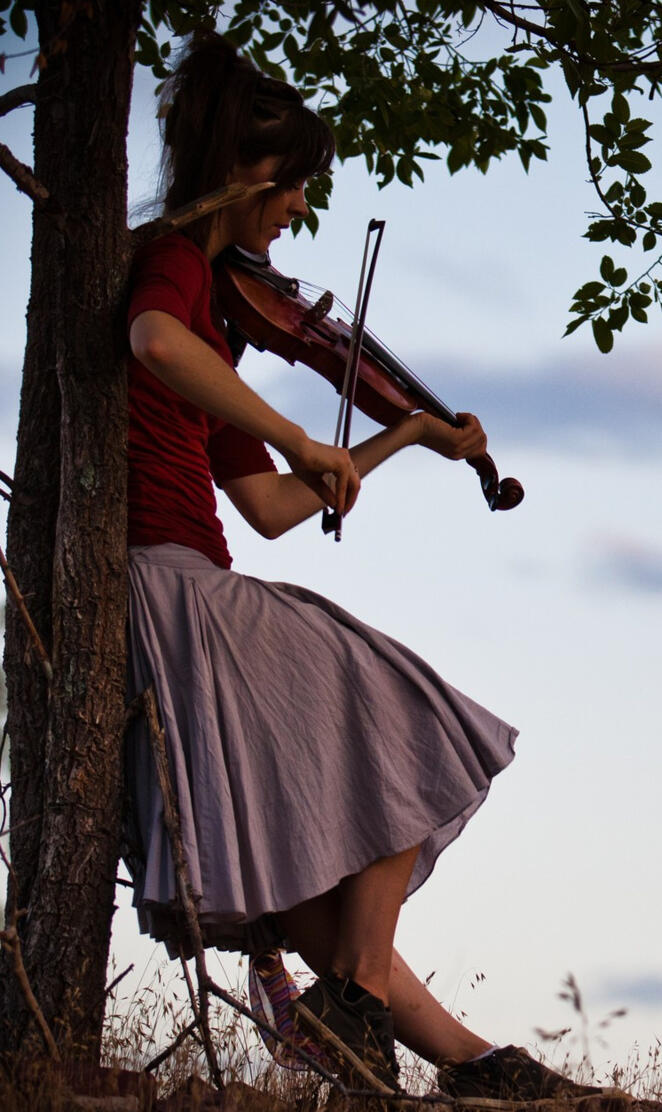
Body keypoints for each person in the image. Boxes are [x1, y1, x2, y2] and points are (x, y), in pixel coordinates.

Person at [123, 31, 617, 1103]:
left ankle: (479, 1069)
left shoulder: (218, 325)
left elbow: (266, 508)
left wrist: (393, 440)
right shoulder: (170, 268)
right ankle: (345, 998)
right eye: (295, 189)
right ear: (251, 177)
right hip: (168, 589)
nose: (298, 214)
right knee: (414, 719)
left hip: (191, 584)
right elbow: (157, 343)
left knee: (325, 900)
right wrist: (305, 435)